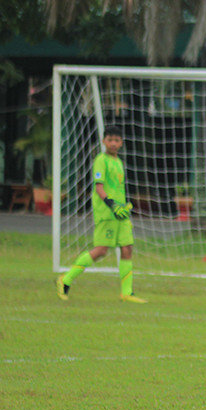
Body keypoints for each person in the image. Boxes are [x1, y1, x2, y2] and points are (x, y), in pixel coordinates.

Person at [56, 125, 146, 303]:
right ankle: (65, 279)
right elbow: (99, 187)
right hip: (107, 212)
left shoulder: (118, 162)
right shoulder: (101, 160)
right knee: (101, 250)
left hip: (120, 214)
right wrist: (111, 204)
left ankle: (127, 293)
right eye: (110, 140)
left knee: (127, 248)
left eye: (116, 140)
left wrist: (123, 205)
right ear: (104, 141)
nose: (113, 143)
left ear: (121, 143)